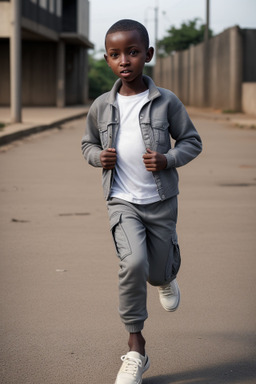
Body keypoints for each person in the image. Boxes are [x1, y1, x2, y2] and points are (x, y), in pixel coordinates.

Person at [81, 19, 202, 384]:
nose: (125, 60)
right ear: (107, 59)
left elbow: (192, 142)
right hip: (122, 201)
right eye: (116, 54)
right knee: (132, 263)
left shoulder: (167, 102)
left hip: (161, 201)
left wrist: (167, 160)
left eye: (133, 52)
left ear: (147, 55)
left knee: (154, 270)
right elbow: (87, 144)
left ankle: (166, 276)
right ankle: (136, 348)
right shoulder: (101, 106)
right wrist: (96, 157)